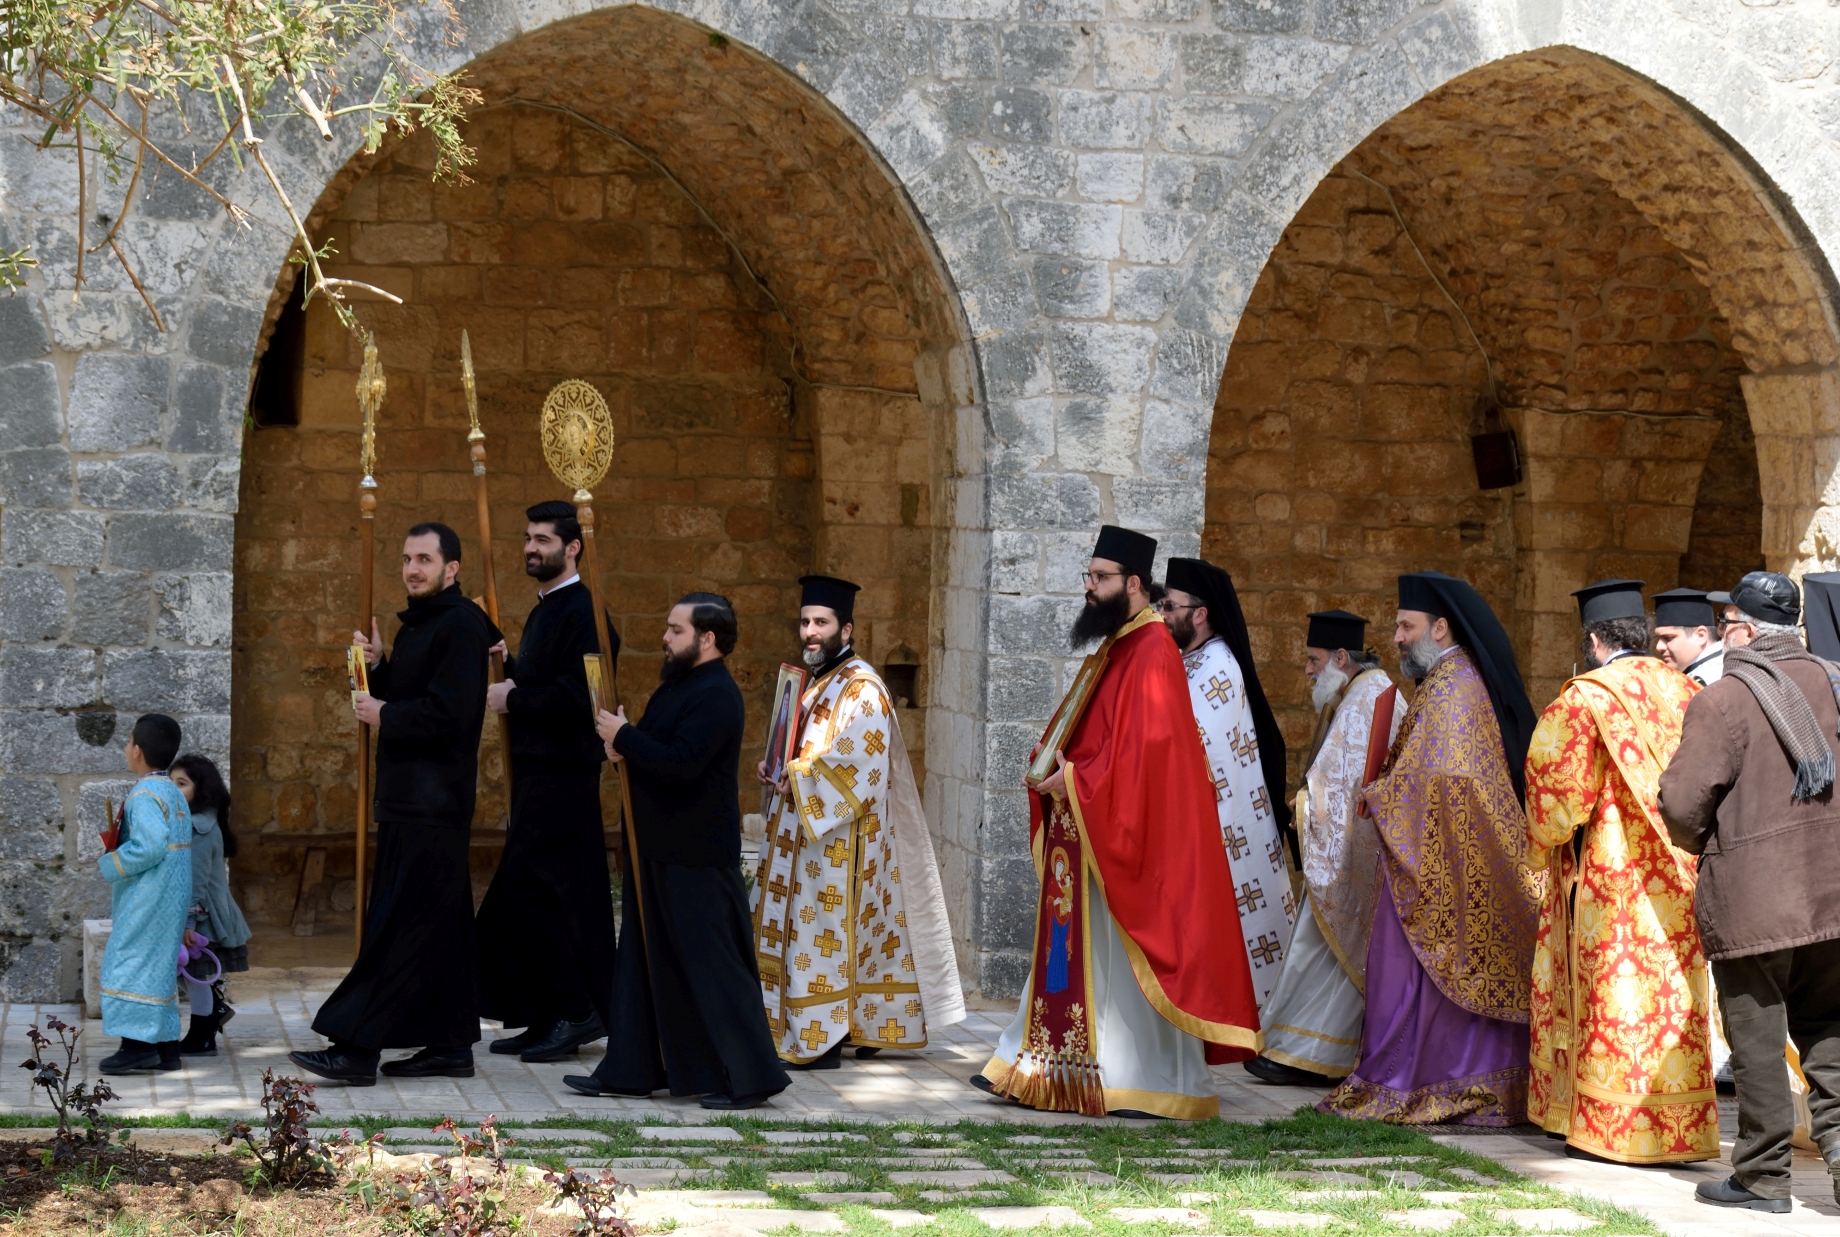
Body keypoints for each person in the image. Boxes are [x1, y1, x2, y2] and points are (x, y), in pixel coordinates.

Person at [976, 527, 1259, 1118]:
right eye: (1088, 575)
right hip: (1090, 826)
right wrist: (1051, 759)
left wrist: (1077, 782)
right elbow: (1093, 728)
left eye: (1100, 578)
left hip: (1134, 833)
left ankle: (1145, 1080)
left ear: (1134, 584)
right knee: (1078, 951)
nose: (1089, 587)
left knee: (1124, 961)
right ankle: (1039, 1061)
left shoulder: (1154, 648)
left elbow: (1146, 757)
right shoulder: (1120, 643)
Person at [1318, 571, 1543, 1125]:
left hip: (1439, 861)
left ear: (1440, 628)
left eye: (1405, 625)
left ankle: (1416, 1082)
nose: (1395, 637)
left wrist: (1382, 794)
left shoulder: (1452, 687)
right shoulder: (1453, 681)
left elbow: (1447, 778)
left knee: (1418, 977)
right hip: (1439, 852)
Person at [292, 522, 500, 1086]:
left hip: (431, 804)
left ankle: (357, 1047)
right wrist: (382, 666)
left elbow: (453, 715)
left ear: (451, 568)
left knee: (400, 925)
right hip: (411, 799)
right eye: (407, 558)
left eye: (425, 559)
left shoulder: (459, 626)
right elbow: (411, 694)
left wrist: (385, 714)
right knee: (444, 925)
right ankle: (452, 1042)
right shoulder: (421, 626)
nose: (413, 568)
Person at [563, 593, 789, 1109]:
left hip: (696, 855)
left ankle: (754, 1077)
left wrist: (627, 736)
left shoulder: (716, 694)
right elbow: (656, 749)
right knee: (643, 963)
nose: (665, 637)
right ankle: (631, 1068)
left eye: (675, 630)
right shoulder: (681, 686)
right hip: (661, 847)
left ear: (707, 639)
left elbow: (682, 763)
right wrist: (624, 742)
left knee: (716, 969)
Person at [1661, 570, 1840, 1213]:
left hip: (1755, 897)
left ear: (1739, 628)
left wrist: (1705, 840)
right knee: (1830, 1030)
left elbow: (1682, 804)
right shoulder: (1836, 681)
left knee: (1757, 1037)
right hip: (1834, 892)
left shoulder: (1725, 698)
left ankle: (1763, 1177)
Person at [1522, 579, 1717, 1164]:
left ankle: (1611, 1127)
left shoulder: (1586, 697)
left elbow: (1556, 795)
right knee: (1675, 1000)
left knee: (1619, 997)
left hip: (1615, 880)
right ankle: (1678, 1130)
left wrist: (1543, 843)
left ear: (1594, 639)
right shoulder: (1687, 690)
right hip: (1684, 874)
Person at [753, 575, 964, 1068]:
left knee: (822, 936)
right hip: (805, 834)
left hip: (839, 844)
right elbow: (797, 752)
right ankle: (843, 1025)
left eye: (821, 622)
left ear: (845, 630)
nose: (810, 631)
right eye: (805, 621)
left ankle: (821, 1038)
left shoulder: (862, 687)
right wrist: (774, 765)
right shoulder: (818, 682)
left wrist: (798, 778)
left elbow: (857, 766)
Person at [476, 501, 619, 1064]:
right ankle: (546, 1014)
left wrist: (514, 696)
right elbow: (548, 679)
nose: (531, 548)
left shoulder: (586, 610)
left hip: (563, 777)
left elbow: (587, 697)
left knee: (536, 897)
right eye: (527, 538)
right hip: (540, 777)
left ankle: (574, 1011)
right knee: (535, 899)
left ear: (573, 546)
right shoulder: (547, 609)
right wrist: (511, 664)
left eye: (543, 540)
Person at [1246, 609, 1400, 1087]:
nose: (1308, 670)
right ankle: (1292, 1044)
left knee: (1322, 945)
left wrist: (1304, 803)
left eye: (1313, 660)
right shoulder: (1362, 692)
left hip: (1352, 850)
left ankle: (1308, 1053)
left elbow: (1343, 784)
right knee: (1316, 942)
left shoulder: (1365, 699)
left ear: (1339, 657)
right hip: (1350, 847)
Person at [1160, 557, 1294, 1006]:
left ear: (1200, 613)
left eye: (1170, 605)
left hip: (1227, 826)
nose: (1162, 613)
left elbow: (1197, 744)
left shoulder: (1217, 665)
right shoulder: (1191, 658)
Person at [97, 714, 192, 1075]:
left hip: (149, 896)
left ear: (137, 750)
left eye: (128, 741)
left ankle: (136, 1046)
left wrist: (111, 862)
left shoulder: (144, 795)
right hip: (172, 893)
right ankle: (167, 1048)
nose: (125, 748)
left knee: (129, 962)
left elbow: (150, 847)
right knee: (159, 968)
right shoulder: (171, 789)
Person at [169, 754, 250, 1057]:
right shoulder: (194, 822)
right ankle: (215, 1011)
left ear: (200, 789)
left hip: (202, 914)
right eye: (172, 783)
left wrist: (188, 923)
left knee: (195, 974)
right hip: (197, 911)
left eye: (183, 784)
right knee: (189, 974)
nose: (175, 790)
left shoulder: (198, 828)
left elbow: (196, 880)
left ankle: (203, 1036)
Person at [1652, 587, 1724, 685]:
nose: (1659, 647)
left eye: (1668, 638)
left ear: (1700, 636)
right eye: (1658, 638)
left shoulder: (1710, 681)